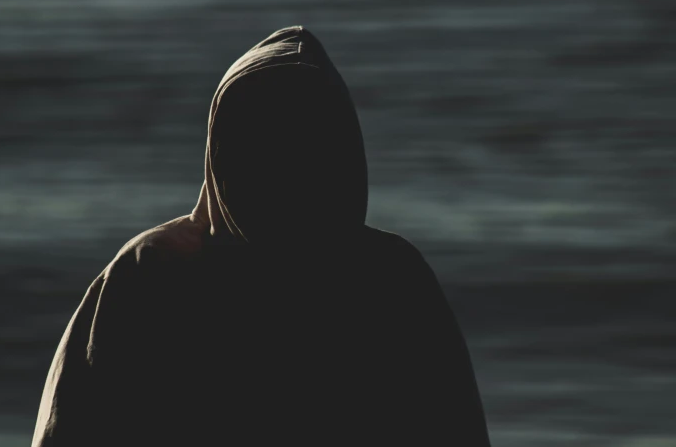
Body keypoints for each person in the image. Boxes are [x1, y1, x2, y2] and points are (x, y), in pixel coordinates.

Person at [31, 25, 491, 446]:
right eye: (262, 144)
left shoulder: (392, 280)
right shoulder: (148, 274)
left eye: (305, 144)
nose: (283, 171)